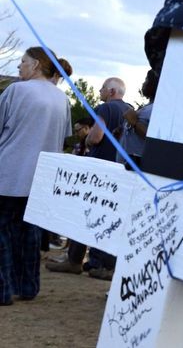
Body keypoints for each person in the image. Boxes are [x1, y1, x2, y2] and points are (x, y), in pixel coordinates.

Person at [0, 47, 71, 306]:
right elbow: (63, 137)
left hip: (9, 172)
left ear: (37, 64)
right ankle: (28, 286)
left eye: (23, 61)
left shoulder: (16, 91)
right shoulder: (62, 99)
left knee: (3, 229)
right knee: (29, 232)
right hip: (41, 177)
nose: (19, 67)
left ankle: (3, 288)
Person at [46, 77, 132, 280]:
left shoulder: (105, 109)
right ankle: (103, 263)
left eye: (102, 88)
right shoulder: (129, 110)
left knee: (83, 211)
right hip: (120, 169)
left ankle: (75, 260)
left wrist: (87, 139)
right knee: (110, 216)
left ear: (111, 92)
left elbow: (96, 137)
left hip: (99, 168)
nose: (100, 91)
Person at [117, 69, 158, 168]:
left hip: (137, 171)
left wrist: (135, 123)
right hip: (124, 168)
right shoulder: (147, 107)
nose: (143, 84)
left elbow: (155, 140)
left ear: (156, 84)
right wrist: (121, 133)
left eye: (147, 80)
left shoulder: (158, 109)